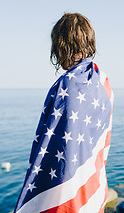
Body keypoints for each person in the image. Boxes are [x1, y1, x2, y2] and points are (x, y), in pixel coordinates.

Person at [14, 13, 113, 213]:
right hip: (94, 188)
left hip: (67, 198)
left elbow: (53, 150)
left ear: (60, 46)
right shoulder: (102, 81)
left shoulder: (67, 85)